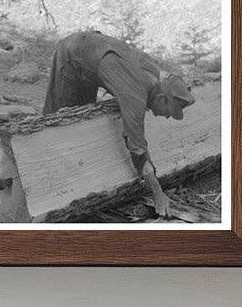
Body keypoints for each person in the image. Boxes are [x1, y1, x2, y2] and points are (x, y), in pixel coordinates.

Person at [42, 30, 195, 218]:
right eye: (169, 112)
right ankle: (45, 184)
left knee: (84, 127)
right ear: (162, 98)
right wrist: (158, 194)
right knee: (57, 126)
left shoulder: (154, 75)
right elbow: (137, 149)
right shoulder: (136, 96)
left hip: (91, 54)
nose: (168, 117)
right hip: (72, 54)